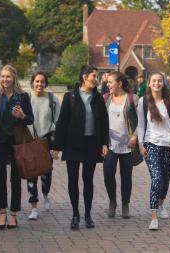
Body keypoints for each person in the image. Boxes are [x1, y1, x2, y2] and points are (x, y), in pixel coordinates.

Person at [53, 65, 109, 230]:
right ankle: (75, 215)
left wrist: (104, 143)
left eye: (96, 76)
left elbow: (104, 122)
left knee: (88, 180)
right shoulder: (70, 97)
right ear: (84, 77)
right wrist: (57, 146)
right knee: (72, 180)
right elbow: (62, 123)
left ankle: (88, 215)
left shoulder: (98, 98)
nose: (96, 79)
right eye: (94, 76)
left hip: (91, 144)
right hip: (72, 144)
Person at [137, 72, 170, 230]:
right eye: (154, 81)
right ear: (149, 83)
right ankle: (153, 216)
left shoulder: (169, 100)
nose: (157, 83)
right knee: (156, 178)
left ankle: (161, 204)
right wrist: (140, 144)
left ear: (163, 83)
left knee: (165, 179)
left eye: (160, 81)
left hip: (169, 146)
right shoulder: (143, 101)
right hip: (151, 144)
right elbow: (141, 125)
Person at [0, 65, 34, 230]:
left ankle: (13, 214)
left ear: (14, 78)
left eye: (8, 77)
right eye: (2, 77)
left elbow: (31, 120)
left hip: (17, 142)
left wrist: (22, 116)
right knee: (0, 178)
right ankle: (2, 212)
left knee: (15, 179)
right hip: (0, 141)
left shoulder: (22, 97)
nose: (5, 80)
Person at [103, 71, 139, 219]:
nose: (107, 84)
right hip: (110, 145)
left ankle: (125, 204)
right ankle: (112, 201)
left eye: (110, 82)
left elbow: (141, 120)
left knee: (126, 177)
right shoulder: (105, 98)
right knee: (108, 174)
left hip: (127, 145)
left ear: (118, 83)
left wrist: (135, 136)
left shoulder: (133, 98)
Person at [26, 71, 60, 220]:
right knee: (31, 175)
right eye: (37, 81)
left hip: (47, 140)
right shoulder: (26, 98)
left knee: (46, 174)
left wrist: (56, 146)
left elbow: (58, 123)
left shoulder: (52, 99)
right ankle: (34, 207)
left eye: (42, 82)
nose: (39, 84)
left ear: (46, 83)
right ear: (32, 82)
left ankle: (45, 194)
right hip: (30, 140)